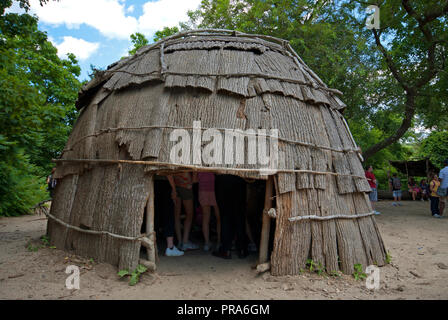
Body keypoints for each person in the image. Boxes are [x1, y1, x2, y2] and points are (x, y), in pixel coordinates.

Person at [213, 174, 248, 259]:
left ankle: (226, 250)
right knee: (239, 216)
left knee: (225, 216)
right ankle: (242, 249)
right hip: (239, 178)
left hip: (223, 180)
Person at [168, 172, 199, 251]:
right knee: (189, 214)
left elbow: (169, 173)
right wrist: (191, 183)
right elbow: (195, 179)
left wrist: (173, 188)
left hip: (176, 185)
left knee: (176, 215)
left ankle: (180, 241)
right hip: (186, 185)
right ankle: (185, 242)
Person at [154, 175, 184, 256]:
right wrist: (174, 189)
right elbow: (168, 173)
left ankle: (153, 246)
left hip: (154, 183)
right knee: (169, 215)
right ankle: (170, 247)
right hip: (165, 184)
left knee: (155, 215)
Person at [194, 172, 221, 251]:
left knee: (205, 218)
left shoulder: (198, 165)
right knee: (219, 218)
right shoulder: (214, 163)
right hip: (215, 190)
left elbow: (195, 180)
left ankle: (207, 243)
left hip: (203, 191)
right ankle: (219, 242)